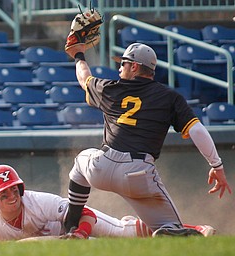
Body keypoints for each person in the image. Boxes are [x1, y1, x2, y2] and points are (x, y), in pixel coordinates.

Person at [63, 42, 232, 237]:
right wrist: (216, 165)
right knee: (174, 230)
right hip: (139, 175)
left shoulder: (111, 89)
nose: (119, 68)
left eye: (123, 63)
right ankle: (168, 230)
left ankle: (71, 225)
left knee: (81, 162)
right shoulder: (169, 97)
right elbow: (197, 130)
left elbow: (84, 79)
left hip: (102, 166)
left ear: (134, 66)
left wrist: (78, 54)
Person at [0, 164, 214, 243]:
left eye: (13, 189)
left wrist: (79, 233)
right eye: (4, 193)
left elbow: (83, 211)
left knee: (124, 232)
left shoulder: (37, 201)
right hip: (61, 242)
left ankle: (195, 229)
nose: (11, 196)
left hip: (77, 227)